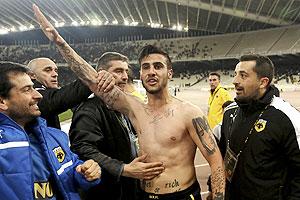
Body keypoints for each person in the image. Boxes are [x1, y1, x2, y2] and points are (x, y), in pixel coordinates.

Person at [33, 5, 225, 200]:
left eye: (158, 66)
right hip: (143, 195)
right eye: (146, 67)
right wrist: (60, 42)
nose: (151, 71)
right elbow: (92, 80)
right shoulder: (134, 108)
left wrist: (217, 197)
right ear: (140, 74)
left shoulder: (188, 112)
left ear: (170, 73)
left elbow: (215, 159)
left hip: (181, 195)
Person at [69, 52, 164, 200]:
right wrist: (123, 169)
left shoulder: (124, 107)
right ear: (101, 74)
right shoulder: (89, 110)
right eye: (118, 71)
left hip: (128, 189)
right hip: (106, 192)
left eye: (126, 71)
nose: (125, 77)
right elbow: (83, 149)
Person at [0, 61, 101, 200]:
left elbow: (72, 171)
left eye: (33, 88)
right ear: (2, 102)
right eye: (27, 89)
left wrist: (85, 172)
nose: (39, 95)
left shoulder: (55, 136)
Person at [218, 54, 300, 199]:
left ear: (263, 82)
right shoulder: (229, 112)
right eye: (235, 74)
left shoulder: (287, 117)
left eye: (243, 76)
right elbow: (223, 154)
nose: (235, 81)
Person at [28, 57, 92, 129]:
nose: (55, 74)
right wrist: (91, 80)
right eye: (48, 70)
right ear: (32, 75)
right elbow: (57, 99)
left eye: (56, 70)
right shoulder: (31, 92)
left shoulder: (45, 90)